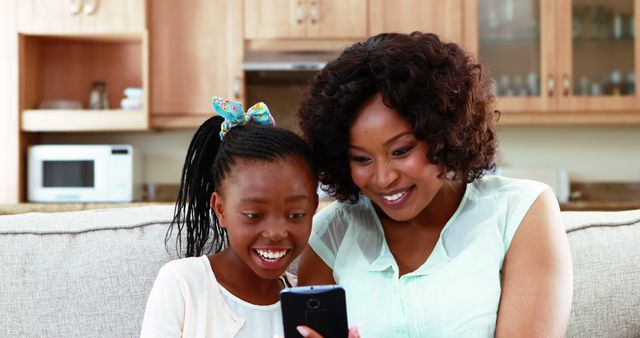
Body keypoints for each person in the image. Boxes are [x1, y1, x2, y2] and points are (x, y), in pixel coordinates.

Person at [296, 32, 573, 337]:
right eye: (362, 159)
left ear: (444, 134)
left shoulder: (521, 211)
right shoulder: (330, 234)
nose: (384, 178)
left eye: (401, 151)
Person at [141, 97, 324, 337]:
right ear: (220, 210)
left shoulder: (307, 304)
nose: (277, 232)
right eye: (254, 215)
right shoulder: (182, 283)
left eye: (296, 214)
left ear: (313, 209)